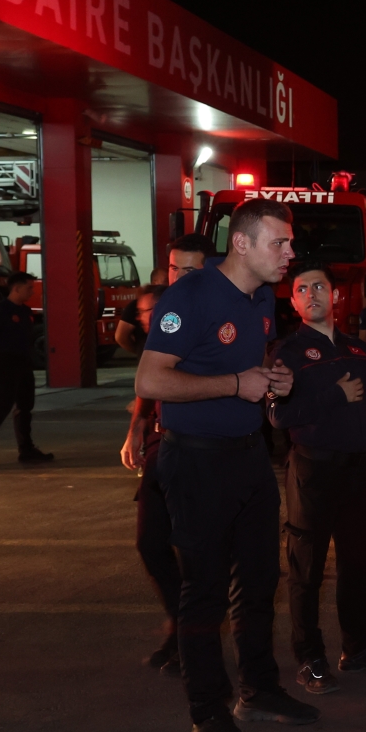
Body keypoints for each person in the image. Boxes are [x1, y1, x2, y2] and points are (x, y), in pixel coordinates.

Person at [136, 197, 309, 732]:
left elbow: (246, 363)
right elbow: (153, 379)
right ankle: (205, 715)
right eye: (278, 243)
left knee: (260, 580)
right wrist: (237, 386)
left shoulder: (261, 296)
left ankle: (257, 691)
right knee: (204, 590)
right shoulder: (187, 298)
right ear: (241, 243)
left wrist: (271, 378)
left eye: (289, 243)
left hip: (249, 456)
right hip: (196, 460)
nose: (289, 253)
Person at [270, 264, 366, 694]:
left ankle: (356, 649)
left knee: (358, 561)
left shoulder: (359, 351)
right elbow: (277, 414)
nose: (311, 294)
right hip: (313, 472)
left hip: (357, 472)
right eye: (302, 289)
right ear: (295, 301)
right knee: (307, 569)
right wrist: (332, 395)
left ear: (336, 296)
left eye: (319, 286)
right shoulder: (286, 354)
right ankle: (310, 658)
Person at [118, 232, 216, 676]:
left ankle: (192, 641)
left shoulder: (217, 316)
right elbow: (149, 376)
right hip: (162, 444)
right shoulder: (165, 314)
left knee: (198, 552)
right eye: (176, 268)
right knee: (150, 543)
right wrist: (137, 427)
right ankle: (182, 624)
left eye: (191, 269)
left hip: (202, 449)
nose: (180, 277)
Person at [0, 271, 52, 467]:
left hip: (23, 362)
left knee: (25, 407)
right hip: (6, 363)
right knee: (3, 406)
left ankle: (26, 449)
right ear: (16, 288)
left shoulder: (25, 311)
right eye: (29, 287)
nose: (32, 291)